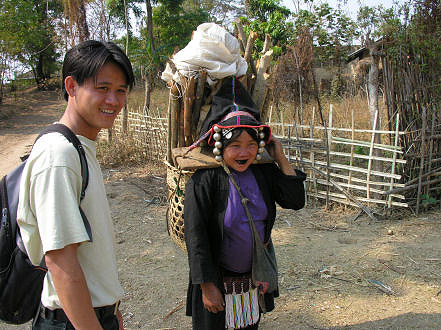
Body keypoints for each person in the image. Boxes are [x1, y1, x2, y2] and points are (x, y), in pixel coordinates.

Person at [17, 40, 135, 330]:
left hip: (89, 316)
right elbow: (60, 262)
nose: (114, 100)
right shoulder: (59, 155)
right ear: (72, 86)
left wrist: (108, 309)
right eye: (103, 88)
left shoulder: (80, 147)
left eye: (121, 91)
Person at [184, 77, 306, 329]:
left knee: (249, 326)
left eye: (252, 145)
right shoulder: (205, 180)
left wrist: (280, 157)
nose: (244, 153)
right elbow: (196, 237)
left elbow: (295, 201)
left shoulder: (262, 172)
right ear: (220, 145)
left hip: (252, 279)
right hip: (216, 279)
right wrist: (207, 286)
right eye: (236, 145)